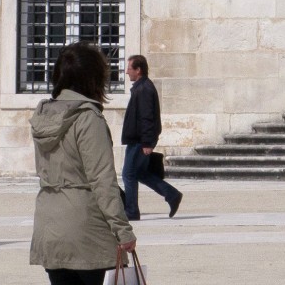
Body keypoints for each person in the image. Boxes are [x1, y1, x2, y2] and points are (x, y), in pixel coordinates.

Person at [30, 42, 140, 285]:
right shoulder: (88, 117)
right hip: (86, 228)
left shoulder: (45, 114)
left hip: (49, 224)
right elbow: (102, 180)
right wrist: (123, 230)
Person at [120, 55, 183, 221]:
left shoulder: (144, 89)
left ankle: (131, 211)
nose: (127, 72)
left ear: (138, 70)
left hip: (139, 140)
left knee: (128, 174)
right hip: (138, 139)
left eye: (130, 68)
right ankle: (172, 194)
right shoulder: (141, 87)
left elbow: (147, 117)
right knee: (140, 173)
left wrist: (147, 142)